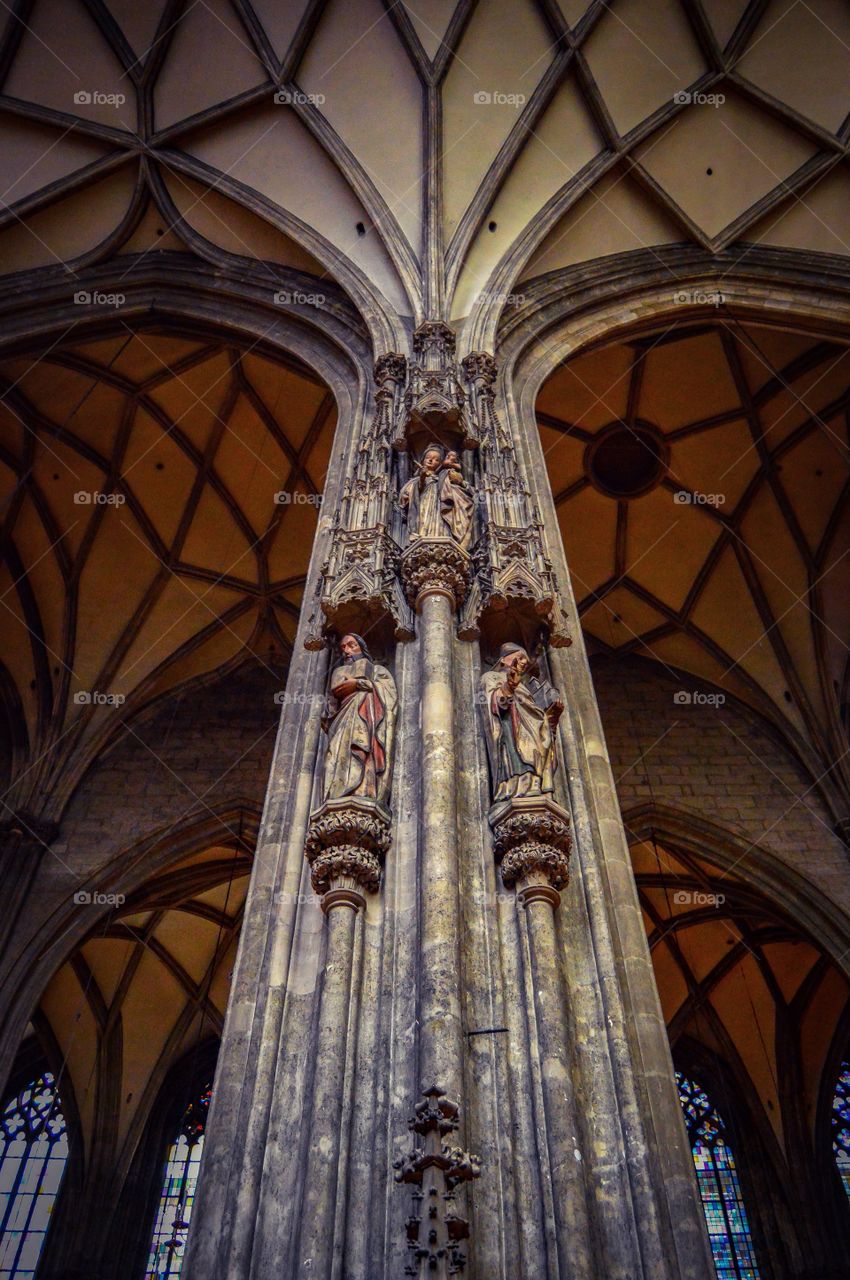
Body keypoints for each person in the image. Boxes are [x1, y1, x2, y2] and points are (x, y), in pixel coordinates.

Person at [479, 643, 564, 802]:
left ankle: (538, 788)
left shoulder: (526, 688)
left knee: (536, 751)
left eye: (525, 659)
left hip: (532, 737)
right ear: (503, 660)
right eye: (519, 657)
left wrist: (551, 718)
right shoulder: (491, 677)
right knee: (519, 756)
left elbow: (538, 722)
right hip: (510, 731)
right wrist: (509, 688)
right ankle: (517, 787)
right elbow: (492, 705)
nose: (524, 662)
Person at [321, 633, 397, 807]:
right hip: (342, 720)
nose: (347, 651)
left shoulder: (378, 671)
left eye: (351, 645)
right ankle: (336, 795)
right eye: (343, 648)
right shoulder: (339, 671)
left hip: (366, 718)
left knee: (363, 749)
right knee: (336, 754)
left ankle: (364, 791)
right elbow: (331, 704)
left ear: (362, 647)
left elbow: (389, 696)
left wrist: (360, 684)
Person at [399, 443, 474, 550]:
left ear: (440, 463)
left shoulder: (445, 475)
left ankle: (444, 537)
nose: (430, 461)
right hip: (424, 506)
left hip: (441, 506)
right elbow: (409, 495)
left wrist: (458, 482)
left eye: (436, 459)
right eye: (428, 458)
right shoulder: (416, 480)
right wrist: (422, 477)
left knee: (442, 522)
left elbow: (463, 486)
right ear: (422, 460)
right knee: (424, 523)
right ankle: (423, 537)